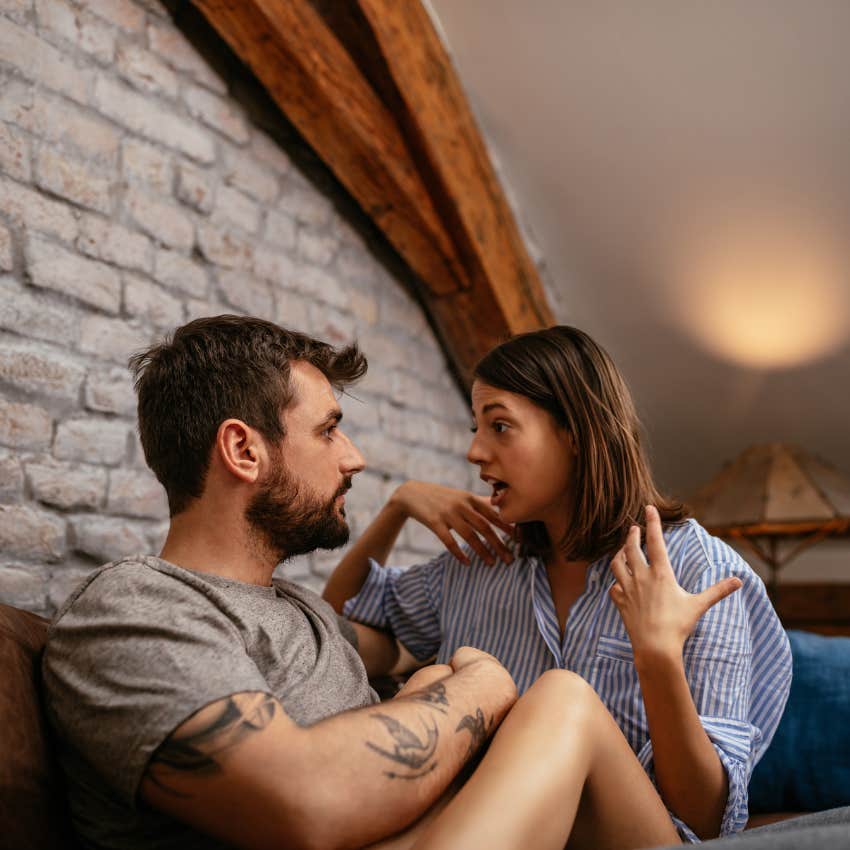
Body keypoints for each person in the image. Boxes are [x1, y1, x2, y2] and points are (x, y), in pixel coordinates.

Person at [41, 315, 688, 850]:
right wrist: (483, 685)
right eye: (328, 430)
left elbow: (390, 657)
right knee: (560, 701)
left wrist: (437, 683)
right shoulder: (135, 607)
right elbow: (303, 804)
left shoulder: (305, 614)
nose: (354, 456)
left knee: (494, 689)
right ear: (244, 452)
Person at [324, 325, 793, 844]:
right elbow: (335, 633)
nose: (475, 452)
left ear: (575, 433)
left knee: (562, 697)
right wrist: (398, 506)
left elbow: (705, 818)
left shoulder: (695, 568)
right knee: (436, 679)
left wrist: (657, 656)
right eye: (476, 428)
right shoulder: (483, 561)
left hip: (636, 837)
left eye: (500, 426)